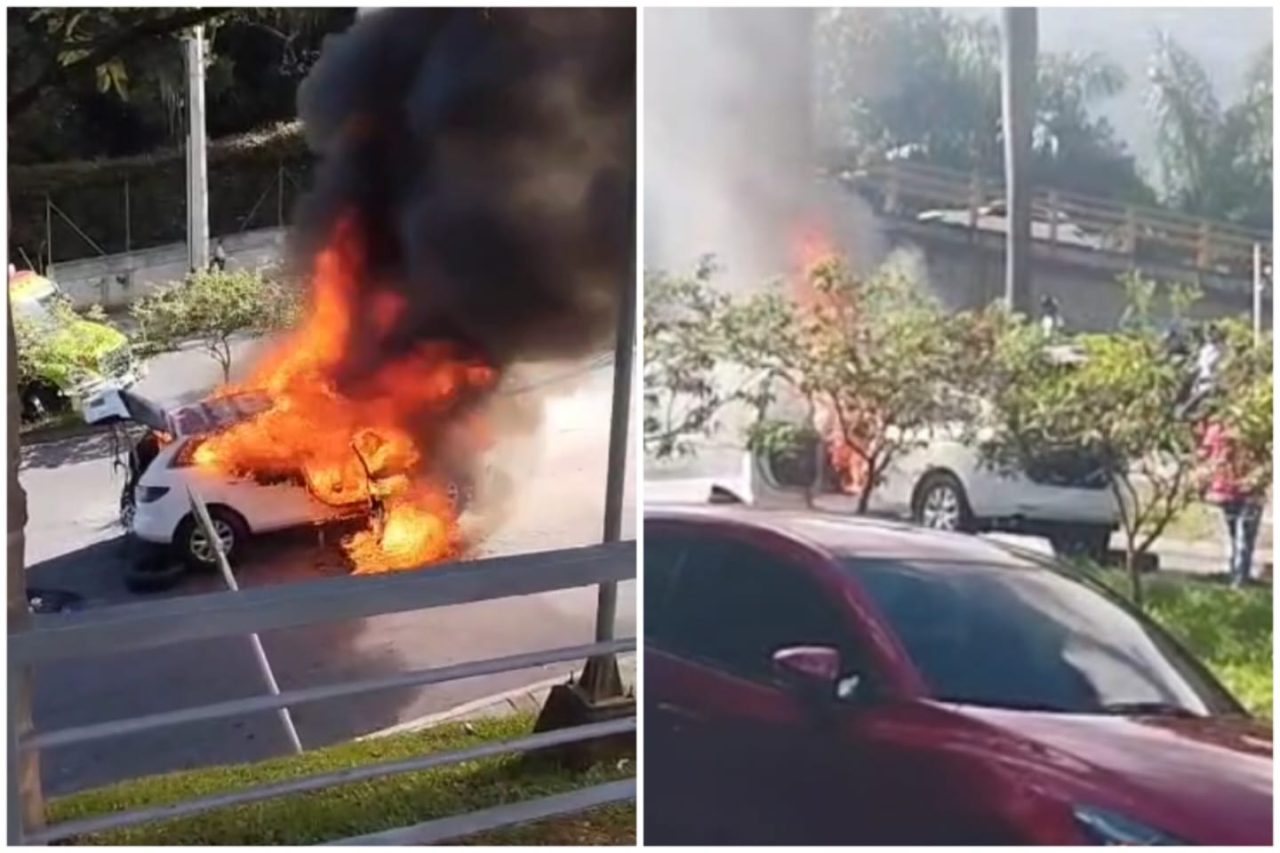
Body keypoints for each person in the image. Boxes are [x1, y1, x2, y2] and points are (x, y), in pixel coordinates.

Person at [1198, 420, 1262, 587]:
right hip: (1233, 491)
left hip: (1246, 492)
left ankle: (1239, 578)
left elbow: (1206, 456)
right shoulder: (1221, 429)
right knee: (1239, 538)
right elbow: (1207, 457)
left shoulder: (1253, 429)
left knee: (1241, 538)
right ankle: (1238, 575)